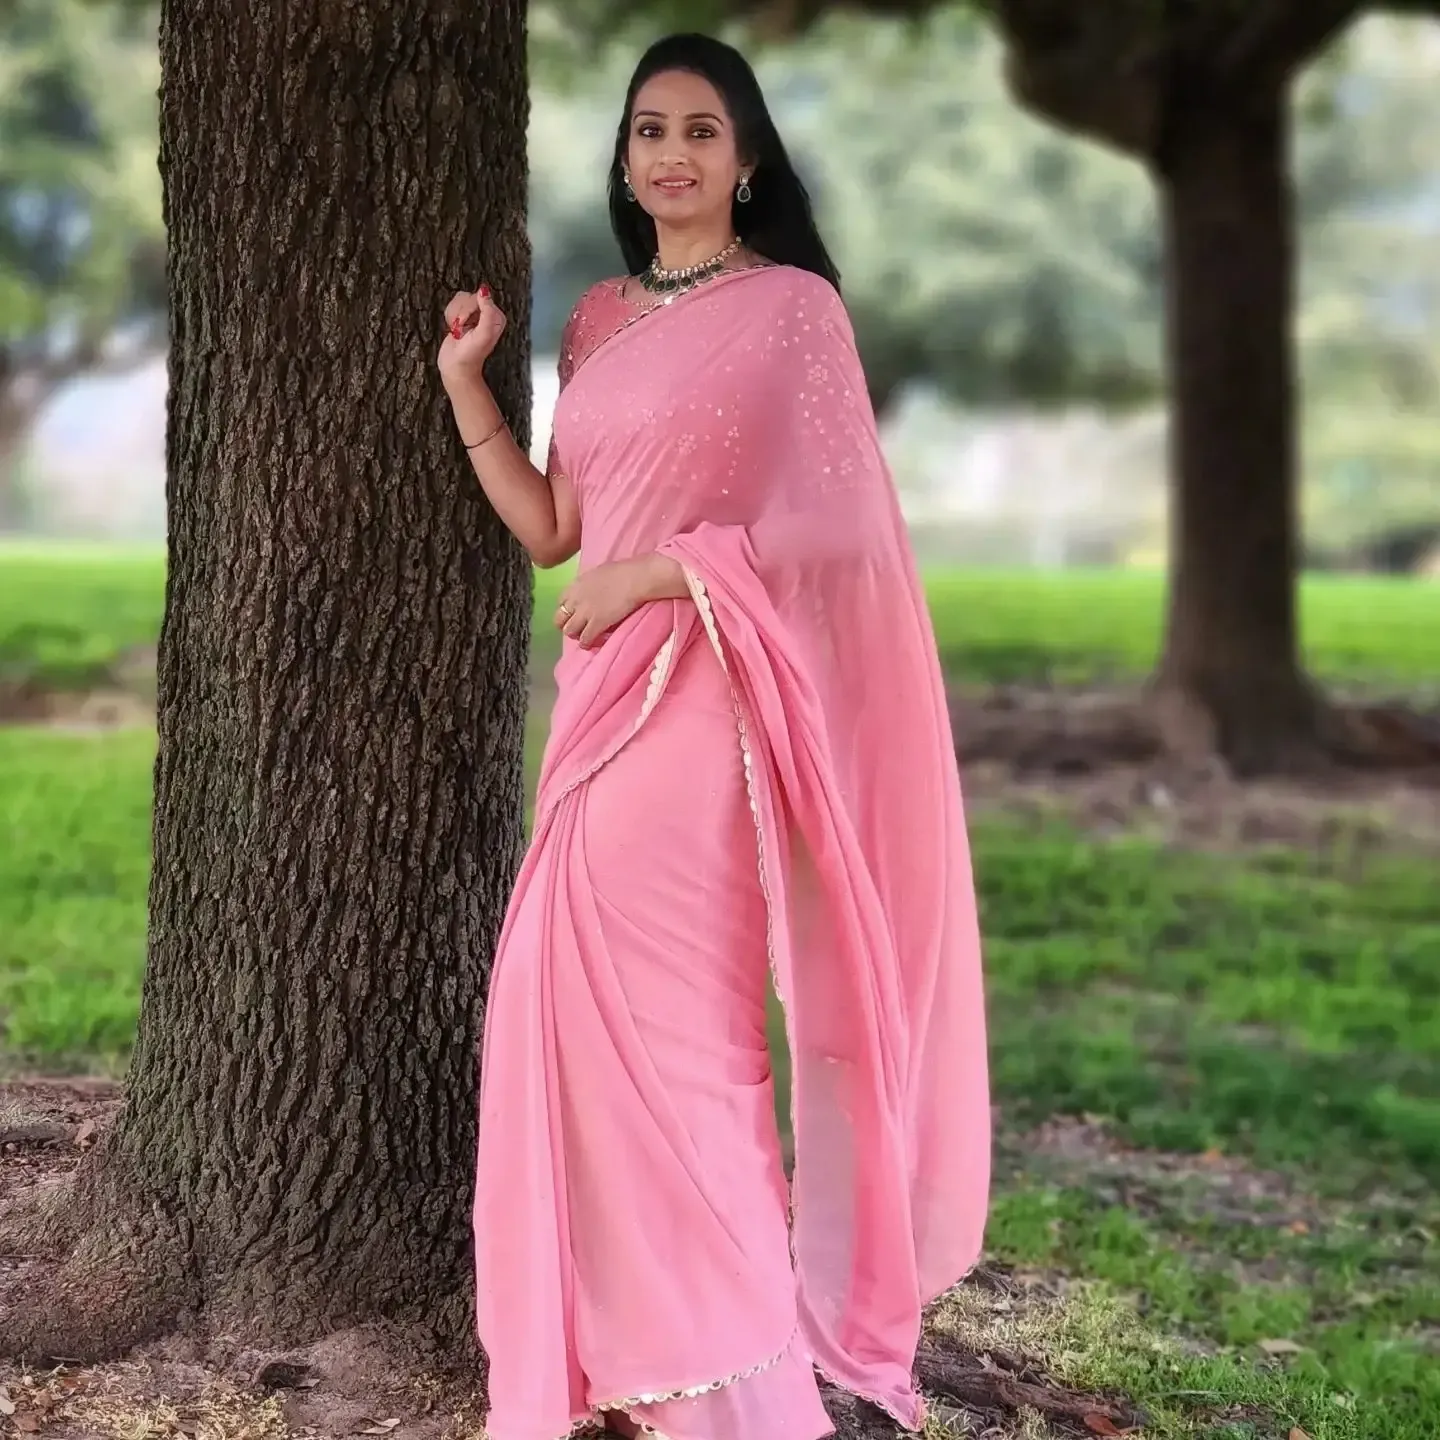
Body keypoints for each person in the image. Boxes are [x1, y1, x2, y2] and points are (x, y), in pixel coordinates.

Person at [437, 32, 990, 1440]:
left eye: (699, 130)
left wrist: (669, 573)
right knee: (552, 1013)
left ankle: (732, 1383)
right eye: (645, 131)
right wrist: (466, 392)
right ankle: (626, 1355)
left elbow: (839, 525)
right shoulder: (602, 320)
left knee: (682, 1039)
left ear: (747, 161)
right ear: (622, 159)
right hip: (597, 714)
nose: (670, 155)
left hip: (707, 707)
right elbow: (560, 531)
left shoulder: (795, 311)